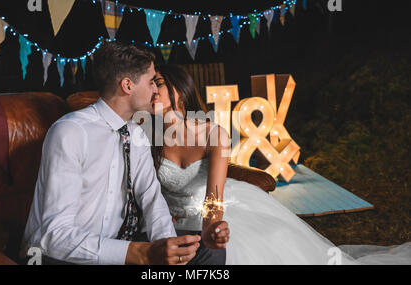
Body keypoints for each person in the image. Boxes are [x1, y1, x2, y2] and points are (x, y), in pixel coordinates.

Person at [150, 64, 411, 265]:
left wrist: (211, 228)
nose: (151, 90)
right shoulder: (146, 136)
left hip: (213, 215)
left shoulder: (213, 134)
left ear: (179, 91)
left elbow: (214, 199)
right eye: (150, 84)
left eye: (157, 83)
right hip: (168, 221)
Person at [20, 42, 208, 265]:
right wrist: (142, 253)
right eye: (151, 82)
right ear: (127, 86)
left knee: (207, 252)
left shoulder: (136, 134)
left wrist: (168, 249)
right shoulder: (71, 132)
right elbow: (55, 236)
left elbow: (152, 199)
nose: (156, 91)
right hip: (57, 256)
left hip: (116, 246)